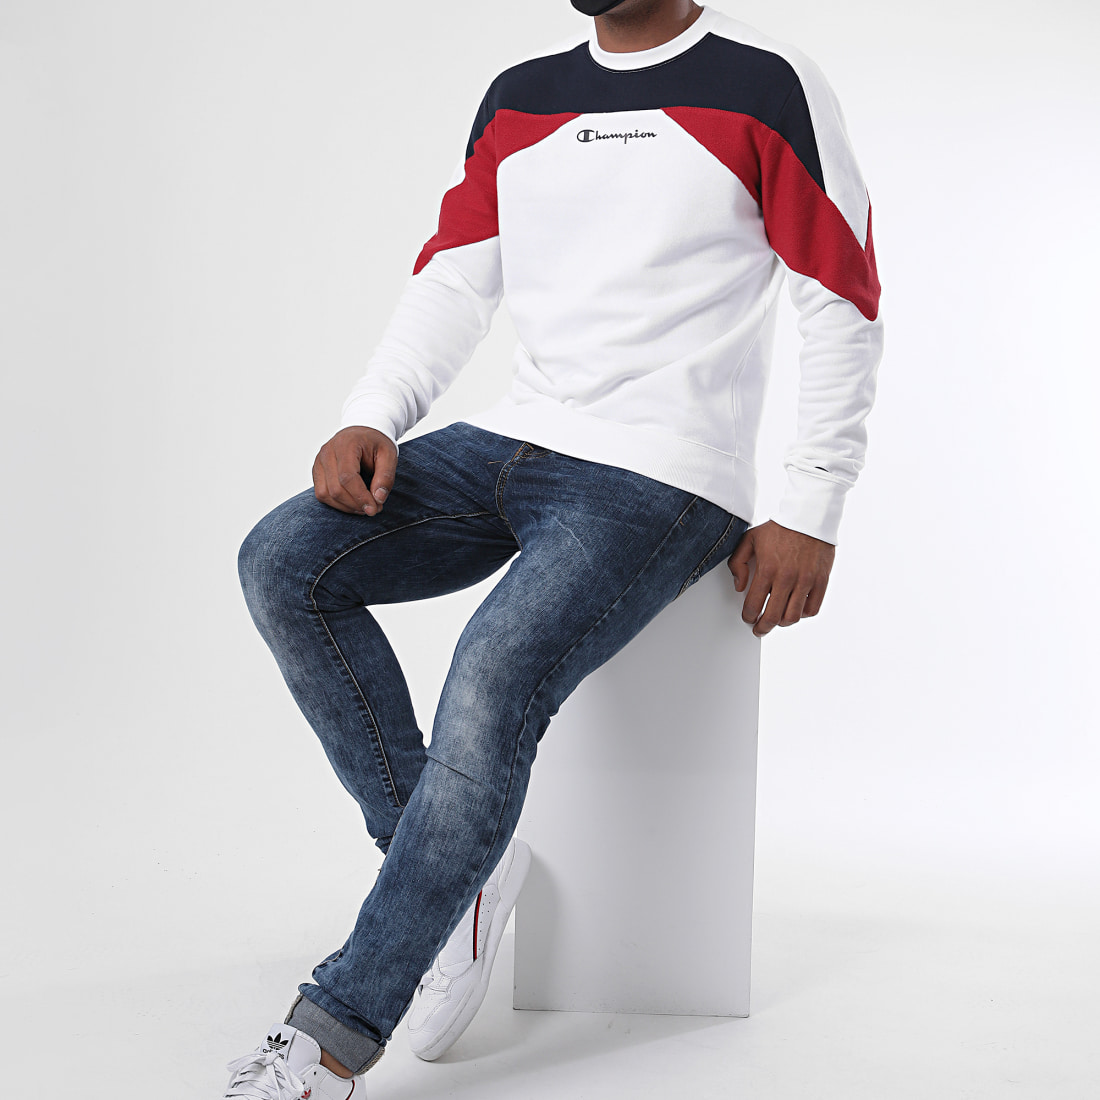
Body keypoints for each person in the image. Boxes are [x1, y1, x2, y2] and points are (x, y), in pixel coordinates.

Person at [227, 0, 883, 1095]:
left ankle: (330, 1035)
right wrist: (374, 411)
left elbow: (840, 295)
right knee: (283, 560)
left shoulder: (766, 82)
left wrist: (812, 503)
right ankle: (454, 878)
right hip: (512, 436)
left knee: (490, 675)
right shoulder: (521, 95)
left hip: (664, 470)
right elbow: (455, 273)